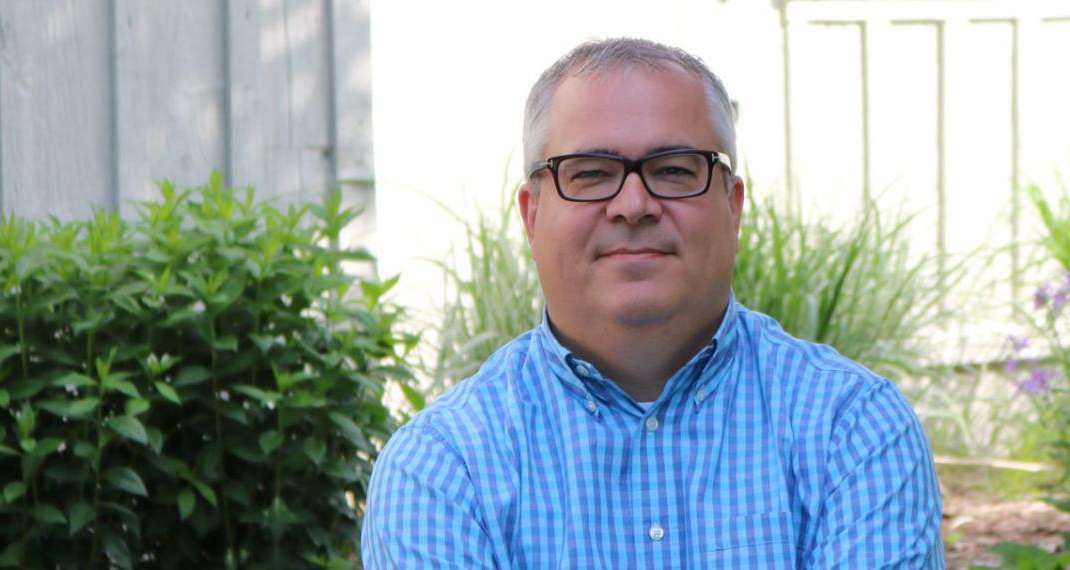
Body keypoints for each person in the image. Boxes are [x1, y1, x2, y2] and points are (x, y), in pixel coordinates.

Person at [362, 37, 944, 568]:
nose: (633, 203)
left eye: (673, 169)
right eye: (589, 174)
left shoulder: (853, 428)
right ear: (532, 215)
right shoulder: (441, 468)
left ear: (733, 207)